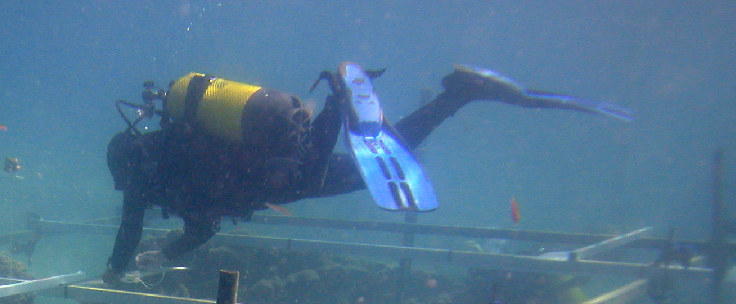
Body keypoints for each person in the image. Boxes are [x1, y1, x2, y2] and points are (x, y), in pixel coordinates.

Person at [102, 65, 633, 283]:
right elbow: (203, 225)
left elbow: (134, 229)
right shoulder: (178, 150)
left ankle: (339, 96)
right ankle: (457, 96)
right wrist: (167, 253)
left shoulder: (148, 178)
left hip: (281, 172)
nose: (128, 195)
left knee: (320, 172)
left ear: (128, 167)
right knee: (374, 162)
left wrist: (113, 274)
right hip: (278, 154)